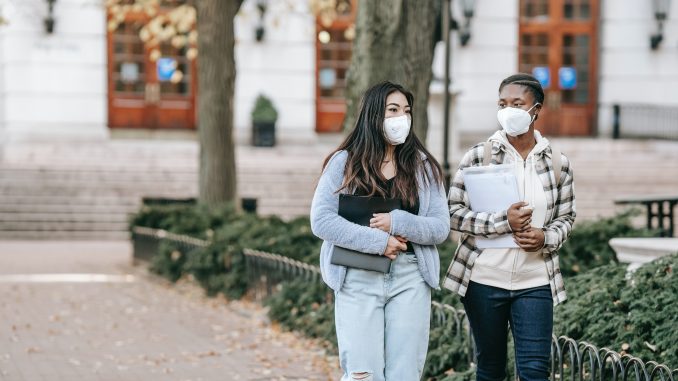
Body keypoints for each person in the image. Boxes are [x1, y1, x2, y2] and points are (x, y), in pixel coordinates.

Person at [310, 81, 450, 381]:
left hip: (410, 277)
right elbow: (321, 220)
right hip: (357, 278)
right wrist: (380, 242)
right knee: (363, 374)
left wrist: (398, 222)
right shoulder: (345, 163)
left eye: (407, 111)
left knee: (404, 374)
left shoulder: (422, 166)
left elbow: (440, 227)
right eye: (393, 110)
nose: (402, 117)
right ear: (374, 115)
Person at [443, 73, 576, 381]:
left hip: (535, 281)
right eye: (503, 103)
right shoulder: (480, 155)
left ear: (536, 109)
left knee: (534, 372)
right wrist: (504, 221)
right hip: (484, 280)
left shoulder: (558, 163)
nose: (508, 110)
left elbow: (566, 218)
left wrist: (545, 237)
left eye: (518, 103)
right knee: (490, 369)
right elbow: (452, 213)